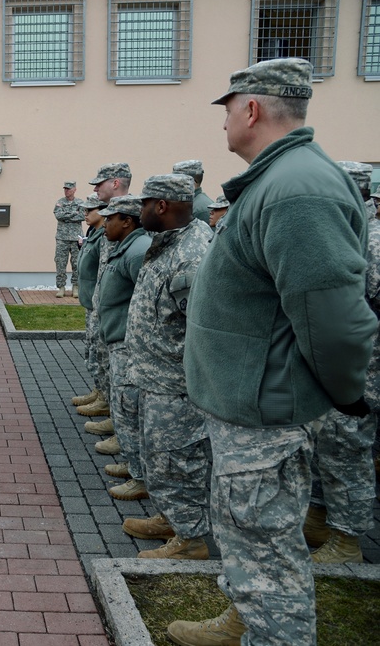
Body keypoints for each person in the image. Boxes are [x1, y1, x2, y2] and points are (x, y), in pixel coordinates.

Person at [173, 58, 375, 646]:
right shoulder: (282, 180)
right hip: (247, 410)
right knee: (249, 539)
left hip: (264, 417)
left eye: (229, 109)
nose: (226, 122)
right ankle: (245, 618)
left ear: (252, 109)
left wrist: (343, 393)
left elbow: (334, 320)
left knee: (267, 548)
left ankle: (274, 632)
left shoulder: (296, 191)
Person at [121, 174, 213, 560]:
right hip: (155, 378)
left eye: (143, 203)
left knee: (178, 461)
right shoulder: (166, 244)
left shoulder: (192, 254)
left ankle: (190, 540)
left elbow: (206, 328)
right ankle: (170, 518)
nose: (138, 210)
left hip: (177, 387)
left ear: (161, 206)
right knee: (159, 457)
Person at [301, 161, 378, 565]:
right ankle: (317, 516)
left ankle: (347, 541)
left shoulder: (372, 241)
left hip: (361, 374)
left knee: (347, 453)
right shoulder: (341, 234)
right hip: (327, 368)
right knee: (323, 448)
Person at [94, 195, 151, 500]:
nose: (105, 223)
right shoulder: (126, 247)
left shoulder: (138, 251)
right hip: (118, 342)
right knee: (123, 406)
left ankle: (141, 476)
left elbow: (146, 300)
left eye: (110, 218)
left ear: (127, 221)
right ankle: (134, 466)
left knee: (130, 408)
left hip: (130, 345)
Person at [75, 163, 132, 421]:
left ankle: (115, 413)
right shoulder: (109, 222)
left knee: (117, 368)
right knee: (99, 356)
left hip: (118, 311)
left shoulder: (128, 217)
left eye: (100, 183)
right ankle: (103, 397)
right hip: (101, 304)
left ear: (116, 183)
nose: (95, 188)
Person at [72, 194, 113, 436]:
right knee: (92, 350)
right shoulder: (93, 232)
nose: (85, 213)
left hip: (99, 302)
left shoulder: (104, 235)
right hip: (91, 300)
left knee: (99, 351)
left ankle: (105, 398)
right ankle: (99, 391)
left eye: (90, 209)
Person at [53, 181, 84, 298]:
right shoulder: (60, 202)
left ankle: (75, 287)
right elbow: (58, 216)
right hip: (62, 238)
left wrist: (66, 215)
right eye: (65, 189)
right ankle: (61, 287)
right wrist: (73, 214)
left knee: (77, 263)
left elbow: (82, 216)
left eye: (69, 189)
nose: (66, 191)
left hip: (76, 238)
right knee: (60, 262)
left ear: (74, 189)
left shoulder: (80, 203)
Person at [172, 160, 215, 224]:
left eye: (178, 181)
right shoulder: (191, 203)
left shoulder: (200, 208)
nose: (173, 184)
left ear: (191, 182)